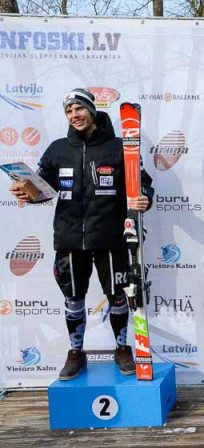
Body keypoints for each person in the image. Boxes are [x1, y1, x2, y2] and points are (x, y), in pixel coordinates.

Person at [9, 88, 154, 380]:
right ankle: (76, 352)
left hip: (111, 237)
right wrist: (24, 192)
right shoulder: (57, 149)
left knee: (117, 296)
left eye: (79, 109)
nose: (75, 115)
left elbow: (143, 184)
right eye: (69, 111)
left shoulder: (119, 147)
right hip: (69, 238)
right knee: (73, 298)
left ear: (91, 111)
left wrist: (144, 199)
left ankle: (121, 348)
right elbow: (42, 190)